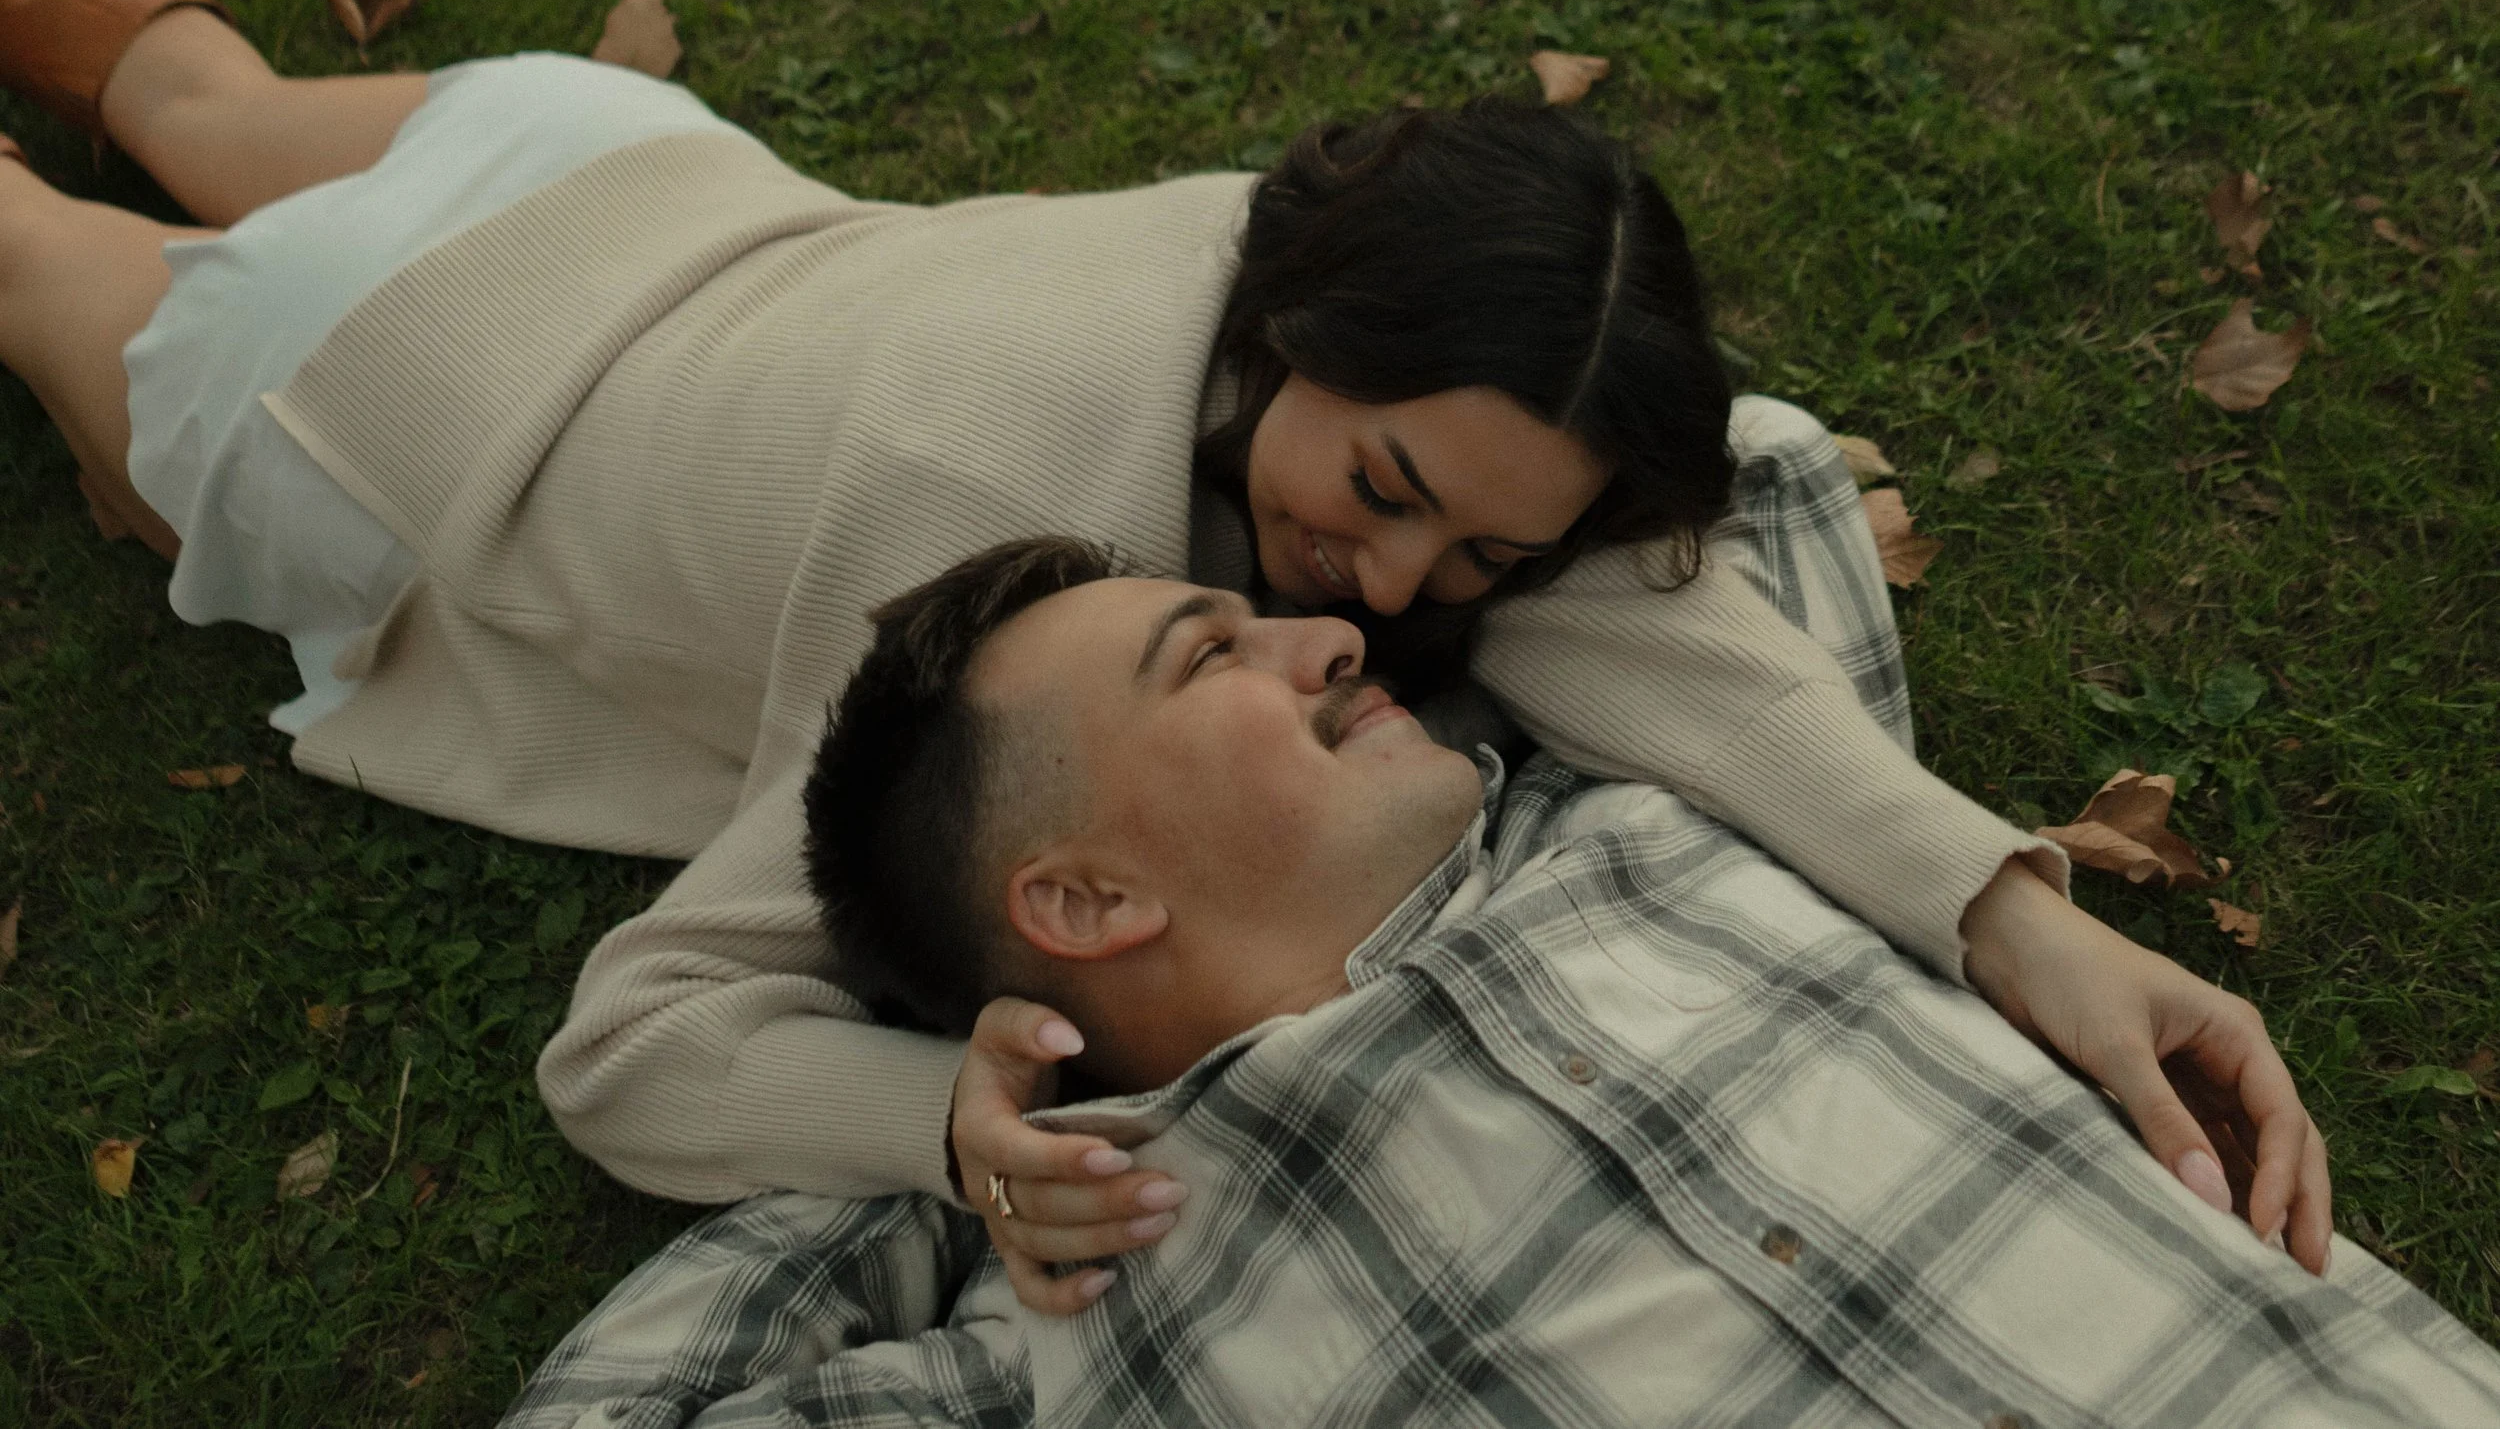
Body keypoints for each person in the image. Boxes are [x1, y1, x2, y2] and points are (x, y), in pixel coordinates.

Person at [0, 0, 2302, 1304]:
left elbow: (1631, 624)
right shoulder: (1005, 567)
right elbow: (642, 1035)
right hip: (370, 397)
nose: (1394, 601)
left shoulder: (1290, 267)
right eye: (1384, 498)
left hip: (609, 168)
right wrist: (947, 1125)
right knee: (30, 246)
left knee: (198, 91)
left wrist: (2007, 908)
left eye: (1473, 561)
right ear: (1306, 326)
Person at [498, 520, 2480, 1429]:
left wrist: (2008, 910)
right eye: (1213, 655)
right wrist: (944, 1152)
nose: (1323, 631)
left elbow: (1740, 477)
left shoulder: (1680, 801)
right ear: (1082, 895)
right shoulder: (1086, 1304)